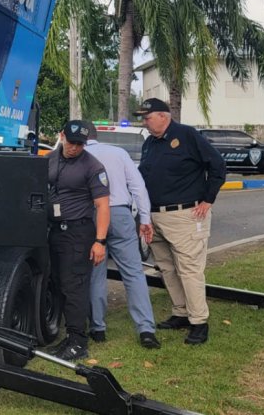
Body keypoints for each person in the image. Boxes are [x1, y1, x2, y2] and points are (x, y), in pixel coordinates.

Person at [134, 99, 226, 345]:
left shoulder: (186, 135)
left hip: (185, 215)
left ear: (164, 116)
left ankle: (199, 322)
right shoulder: (150, 143)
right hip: (155, 215)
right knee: (166, 267)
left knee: (189, 269)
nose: (144, 121)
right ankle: (181, 312)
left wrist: (208, 199)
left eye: (147, 116)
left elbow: (217, 165)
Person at [83, 127, 160, 349]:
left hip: (91, 215)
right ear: (96, 136)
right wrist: (145, 218)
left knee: (96, 273)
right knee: (134, 273)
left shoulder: (79, 155)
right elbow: (138, 187)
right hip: (120, 213)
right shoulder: (119, 153)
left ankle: (97, 328)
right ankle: (146, 329)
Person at [45, 120, 110, 361]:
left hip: (78, 233)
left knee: (75, 287)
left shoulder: (92, 166)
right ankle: (69, 337)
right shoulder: (51, 159)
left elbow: (103, 205)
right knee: (60, 283)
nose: (75, 148)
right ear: (62, 136)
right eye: (71, 142)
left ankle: (78, 342)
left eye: (80, 144)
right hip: (55, 231)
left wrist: (99, 241)